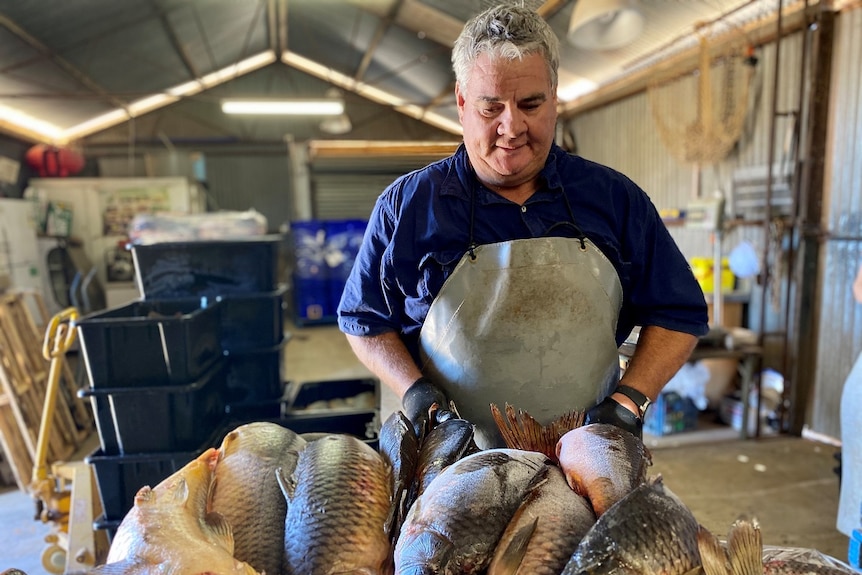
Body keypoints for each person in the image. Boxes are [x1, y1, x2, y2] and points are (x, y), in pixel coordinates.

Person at [337, 3, 709, 453]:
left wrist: (630, 401)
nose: (511, 127)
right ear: (461, 102)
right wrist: (414, 389)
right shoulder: (408, 206)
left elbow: (679, 312)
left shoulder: (614, 198)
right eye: (491, 107)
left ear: (554, 97)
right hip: (449, 458)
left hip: (585, 451)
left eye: (530, 104)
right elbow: (363, 320)